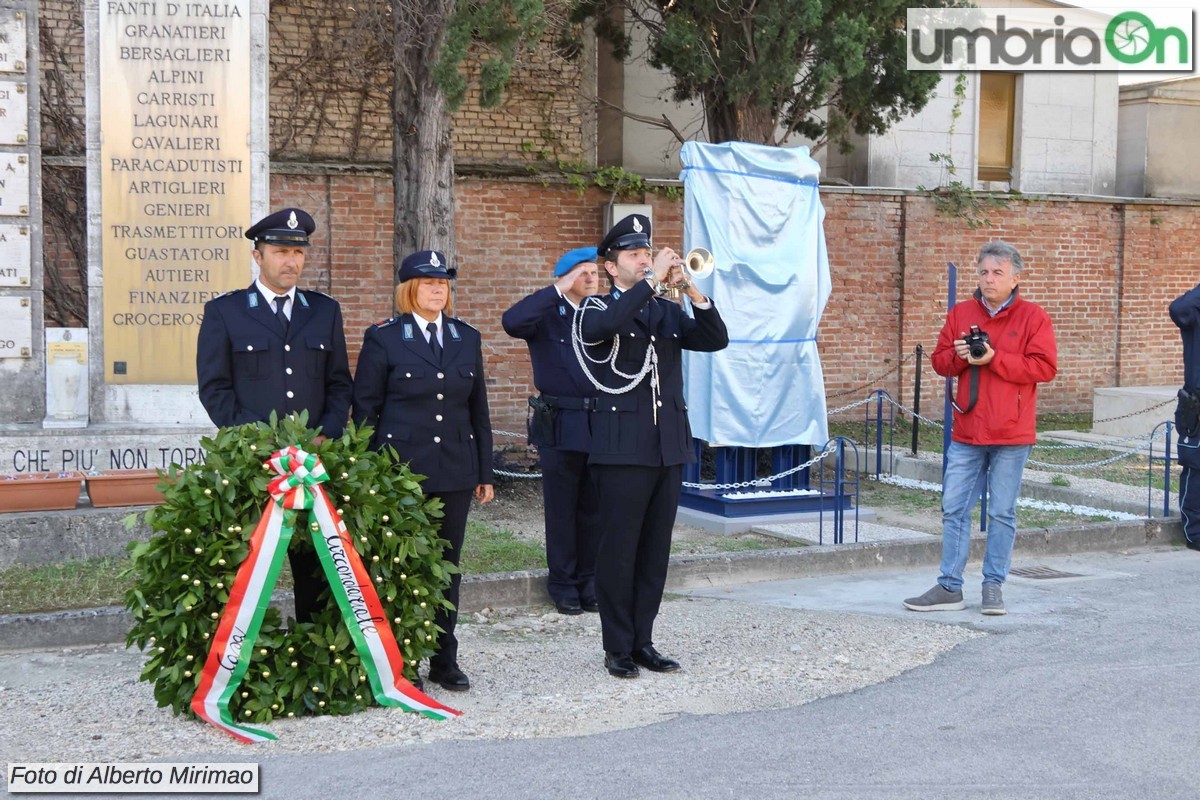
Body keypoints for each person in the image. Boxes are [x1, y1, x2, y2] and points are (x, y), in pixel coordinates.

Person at [578, 214, 729, 678]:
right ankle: (617, 647)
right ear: (610, 267)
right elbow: (611, 327)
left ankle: (643, 640)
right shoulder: (595, 309)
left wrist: (692, 291)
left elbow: (714, 338)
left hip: (667, 445)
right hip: (622, 448)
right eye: (634, 255)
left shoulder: (664, 309)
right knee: (619, 550)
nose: (645, 260)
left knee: (653, 552)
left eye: (647, 253)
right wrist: (653, 283)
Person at [197, 207, 353, 624]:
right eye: (282, 251)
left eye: (299, 253)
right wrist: (258, 441)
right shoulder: (226, 312)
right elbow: (215, 389)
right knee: (246, 570)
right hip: (251, 465)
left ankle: (315, 660)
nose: (292, 261)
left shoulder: (324, 311)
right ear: (257, 255)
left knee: (317, 571)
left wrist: (327, 435)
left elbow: (339, 384)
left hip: (314, 465)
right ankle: (243, 668)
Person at [351, 249, 495, 692]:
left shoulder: (464, 337)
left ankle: (443, 660)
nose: (438, 289)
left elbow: (479, 411)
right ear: (409, 289)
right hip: (400, 473)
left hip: (454, 470)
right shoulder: (384, 338)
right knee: (400, 567)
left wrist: (484, 472)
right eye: (429, 282)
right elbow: (365, 411)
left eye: (443, 283)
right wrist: (366, 472)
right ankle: (403, 658)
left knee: (447, 566)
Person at [904, 241, 1057, 616]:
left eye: (997, 273)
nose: (989, 279)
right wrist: (958, 358)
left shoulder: (1033, 317)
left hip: (1012, 433)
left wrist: (994, 359)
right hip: (968, 430)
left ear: (1015, 278)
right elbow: (940, 362)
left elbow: (1044, 368)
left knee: (1002, 513)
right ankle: (949, 587)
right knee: (954, 508)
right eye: (984, 272)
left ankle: (993, 586)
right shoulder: (961, 313)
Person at [502, 247, 603, 616]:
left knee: (594, 509)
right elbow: (512, 322)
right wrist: (558, 289)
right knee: (562, 509)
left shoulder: (602, 313)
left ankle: (590, 582)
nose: (591, 279)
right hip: (560, 420)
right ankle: (562, 584)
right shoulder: (548, 312)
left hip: (600, 421)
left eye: (595, 273)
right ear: (565, 277)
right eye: (583, 273)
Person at [1169, 284, 1200, 551]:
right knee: (1197, 467)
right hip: (1198, 403)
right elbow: (1178, 309)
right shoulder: (1194, 308)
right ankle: (1196, 533)